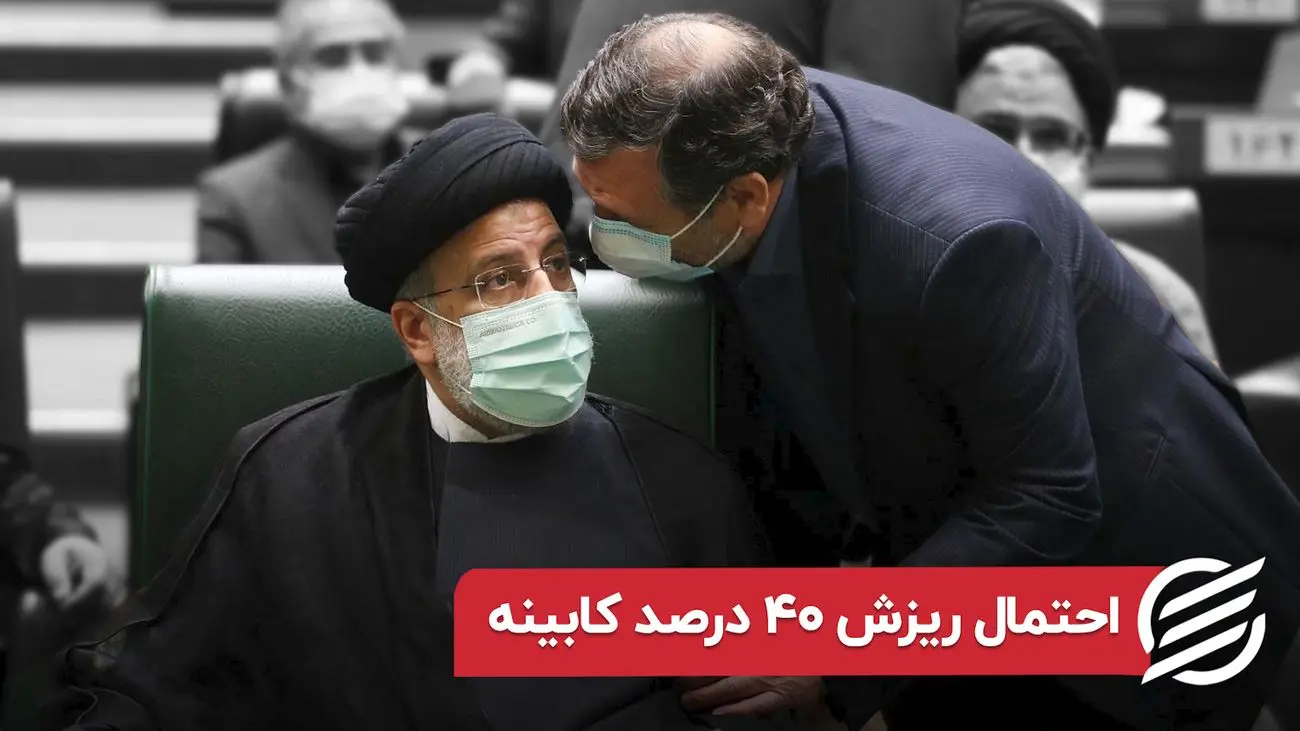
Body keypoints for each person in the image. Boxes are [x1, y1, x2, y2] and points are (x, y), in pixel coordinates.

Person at [559, 12, 1300, 730]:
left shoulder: (957, 241)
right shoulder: (744, 127)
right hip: (956, 554)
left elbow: (1049, 496)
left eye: (626, 217)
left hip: (1144, 590)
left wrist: (836, 647)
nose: (604, 234)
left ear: (747, 197)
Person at [49, 114, 807, 731]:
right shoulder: (293, 473)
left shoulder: (676, 479)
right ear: (418, 331)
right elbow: (155, 690)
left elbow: (770, 692)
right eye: (500, 279)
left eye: (556, 264)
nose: (548, 300)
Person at [954, 0, 1219, 363]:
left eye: (1051, 136)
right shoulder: (894, 279)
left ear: (1088, 160)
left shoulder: (1157, 298)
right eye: (996, 131)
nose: (1023, 159)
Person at [197, 0, 418, 263]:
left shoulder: (450, 166)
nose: (360, 72)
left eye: (375, 53)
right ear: (288, 84)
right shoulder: (234, 197)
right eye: (332, 57)